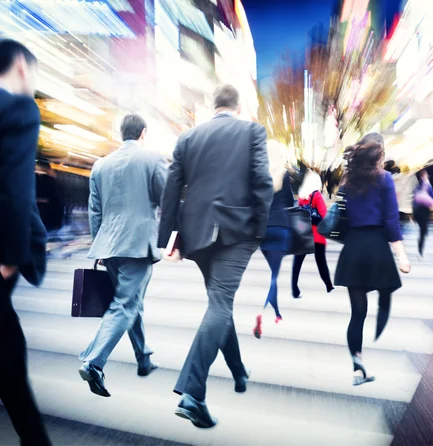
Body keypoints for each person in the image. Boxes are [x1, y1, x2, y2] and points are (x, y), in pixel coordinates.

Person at [158, 85, 273, 429]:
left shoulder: (187, 138)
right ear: (237, 107)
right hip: (236, 231)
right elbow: (262, 182)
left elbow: (172, 190)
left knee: (218, 304)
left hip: (196, 235)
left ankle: (238, 371)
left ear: (213, 105)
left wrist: (168, 239)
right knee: (220, 304)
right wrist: (261, 231)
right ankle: (192, 394)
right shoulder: (252, 131)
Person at [79, 114, 166, 397]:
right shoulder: (153, 160)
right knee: (125, 305)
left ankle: (143, 358)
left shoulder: (100, 165)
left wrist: (100, 246)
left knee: (130, 301)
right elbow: (166, 199)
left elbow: (95, 211)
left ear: (122, 134)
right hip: (138, 245)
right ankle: (94, 361)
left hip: (110, 245)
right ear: (143, 133)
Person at [0, 39, 51, 446]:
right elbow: (16, 191)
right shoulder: (18, 109)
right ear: (20, 66)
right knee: (9, 363)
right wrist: (11, 257)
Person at [334, 133, 411, 386]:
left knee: (357, 313)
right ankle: (382, 318)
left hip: (353, 248)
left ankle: (357, 365)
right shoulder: (385, 179)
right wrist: (402, 255)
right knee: (386, 289)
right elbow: (391, 221)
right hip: (377, 247)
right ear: (379, 154)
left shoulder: (347, 181)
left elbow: (341, 217)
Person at [253, 142, 294, 338]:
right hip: (281, 226)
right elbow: (289, 201)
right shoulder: (283, 174)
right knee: (274, 276)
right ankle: (261, 312)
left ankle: (277, 314)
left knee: (273, 275)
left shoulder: (258, 173)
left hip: (263, 229)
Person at [291, 170, 334, 299]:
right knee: (321, 262)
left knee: (297, 263)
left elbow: (299, 214)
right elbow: (324, 216)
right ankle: (329, 286)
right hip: (317, 235)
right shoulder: (316, 196)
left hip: (303, 234)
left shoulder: (302, 196)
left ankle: (295, 289)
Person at [412, 170, 433, 259]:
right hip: (424, 210)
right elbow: (432, 197)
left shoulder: (417, 186)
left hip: (417, 211)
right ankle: (420, 250)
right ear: (424, 175)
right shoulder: (427, 185)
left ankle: (424, 233)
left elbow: (414, 200)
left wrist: (413, 212)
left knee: (422, 229)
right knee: (422, 231)